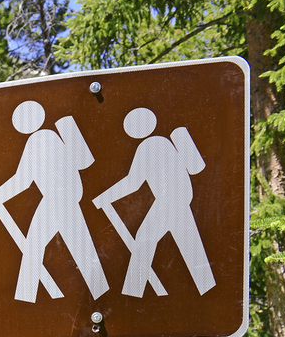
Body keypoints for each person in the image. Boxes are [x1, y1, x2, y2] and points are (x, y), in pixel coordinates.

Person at [0, 100, 109, 303]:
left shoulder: (38, 140)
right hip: (66, 200)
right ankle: (103, 294)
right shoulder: (51, 136)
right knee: (80, 250)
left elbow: (23, 180)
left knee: (36, 246)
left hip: (55, 201)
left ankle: (25, 300)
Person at [92, 107, 214, 299]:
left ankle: (132, 294)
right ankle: (208, 288)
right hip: (181, 199)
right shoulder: (164, 142)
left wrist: (105, 197)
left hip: (169, 201)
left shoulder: (148, 146)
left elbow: (134, 182)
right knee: (190, 245)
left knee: (143, 240)